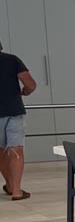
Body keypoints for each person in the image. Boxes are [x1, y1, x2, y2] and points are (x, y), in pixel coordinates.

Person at [0, 39, 37, 201]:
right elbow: (30, 84)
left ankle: (9, 184)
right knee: (16, 150)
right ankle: (16, 190)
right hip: (14, 111)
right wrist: (26, 91)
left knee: (0, 151)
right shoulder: (12, 60)